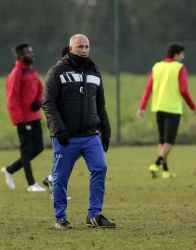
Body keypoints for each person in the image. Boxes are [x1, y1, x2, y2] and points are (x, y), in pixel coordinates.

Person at [42, 34, 116, 230]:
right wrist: (59, 128)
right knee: (61, 178)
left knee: (100, 168)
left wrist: (105, 131)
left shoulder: (94, 71)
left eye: (87, 46)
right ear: (71, 48)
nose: (84, 50)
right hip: (66, 137)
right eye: (80, 46)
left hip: (90, 135)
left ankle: (94, 215)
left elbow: (100, 105)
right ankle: (61, 218)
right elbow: (48, 103)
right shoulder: (56, 72)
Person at [137, 43, 196, 179]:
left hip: (158, 107)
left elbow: (148, 88)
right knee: (169, 141)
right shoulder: (179, 68)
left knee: (162, 140)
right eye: (182, 54)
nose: (183, 57)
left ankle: (165, 170)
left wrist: (142, 107)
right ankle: (157, 163)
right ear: (176, 54)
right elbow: (183, 90)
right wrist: (192, 106)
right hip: (173, 108)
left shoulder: (157, 67)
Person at [1, 44, 46, 192]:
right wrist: (18, 121)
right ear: (20, 56)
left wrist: (38, 101)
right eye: (28, 53)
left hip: (35, 117)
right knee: (26, 150)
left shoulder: (32, 71)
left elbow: (40, 88)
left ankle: (10, 170)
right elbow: (11, 100)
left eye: (32, 52)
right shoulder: (16, 74)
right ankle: (31, 184)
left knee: (38, 147)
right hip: (23, 119)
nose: (31, 54)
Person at [42, 45, 78, 199]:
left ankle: (51, 180)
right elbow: (50, 102)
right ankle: (54, 186)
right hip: (61, 124)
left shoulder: (76, 72)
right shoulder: (57, 72)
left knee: (72, 154)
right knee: (62, 156)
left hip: (75, 124)